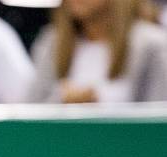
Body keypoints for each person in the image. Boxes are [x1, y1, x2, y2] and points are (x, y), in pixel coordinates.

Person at [26, 0, 167, 103]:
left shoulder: (152, 45)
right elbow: (29, 108)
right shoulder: (52, 42)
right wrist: (61, 99)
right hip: (63, 141)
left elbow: (158, 114)